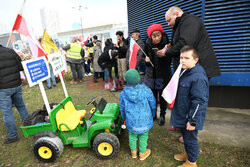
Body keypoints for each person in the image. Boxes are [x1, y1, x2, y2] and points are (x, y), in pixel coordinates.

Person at [171, 45, 209, 167]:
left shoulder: (198, 77)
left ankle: (191, 162)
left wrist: (192, 121)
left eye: (186, 58)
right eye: (181, 57)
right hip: (184, 113)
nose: (182, 60)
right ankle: (188, 154)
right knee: (186, 137)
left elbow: (199, 101)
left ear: (195, 60)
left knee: (191, 139)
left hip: (191, 116)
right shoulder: (186, 70)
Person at [157, 6, 220, 78]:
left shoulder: (190, 21)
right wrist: (170, 46)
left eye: (169, 20)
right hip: (192, 69)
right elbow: (182, 41)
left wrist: (167, 52)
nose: (168, 24)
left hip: (197, 69)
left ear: (177, 14)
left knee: (196, 89)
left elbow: (185, 43)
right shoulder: (182, 23)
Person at [119, 69, 156, 161]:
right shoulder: (146, 90)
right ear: (139, 78)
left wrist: (124, 118)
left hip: (131, 121)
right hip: (145, 120)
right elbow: (153, 104)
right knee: (143, 135)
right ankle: (142, 153)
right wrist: (153, 114)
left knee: (132, 135)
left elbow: (122, 109)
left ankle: (134, 153)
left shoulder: (123, 94)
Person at [0, 44, 29, 144]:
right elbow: (20, 67)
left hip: (3, 89)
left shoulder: (10, 50)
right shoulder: (10, 51)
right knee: (21, 106)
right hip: (16, 85)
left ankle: (13, 136)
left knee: (7, 112)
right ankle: (29, 126)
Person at [144, 23, 172, 126]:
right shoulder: (147, 44)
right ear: (150, 37)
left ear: (162, 34)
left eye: (158, 35)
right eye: (154, 36)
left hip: (163, 74)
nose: (156, 38)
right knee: (153, 96)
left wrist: (165, 54)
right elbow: (144, 57)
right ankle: (153, 113)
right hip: (152, 74)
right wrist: (146, 60)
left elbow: (170, 61)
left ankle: (162, 115)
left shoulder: (167, 44)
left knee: (162, 96)